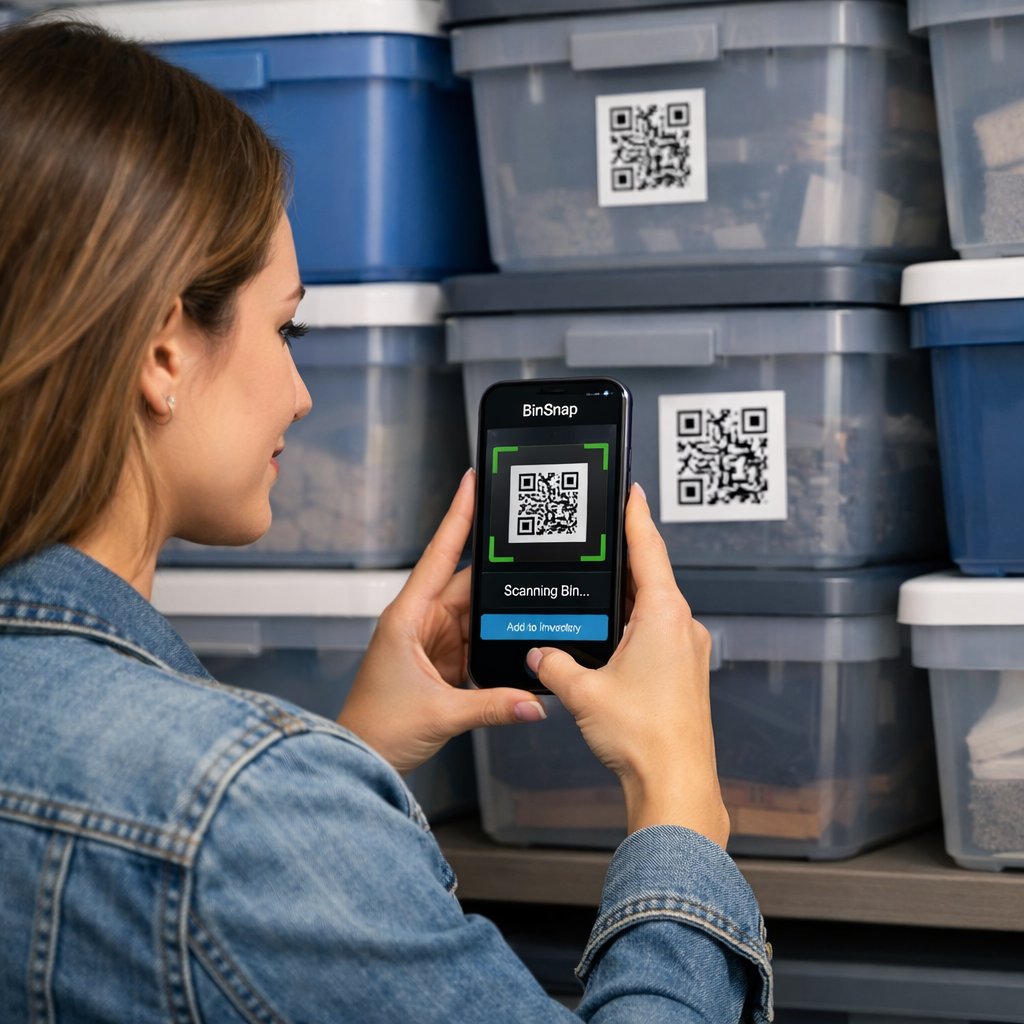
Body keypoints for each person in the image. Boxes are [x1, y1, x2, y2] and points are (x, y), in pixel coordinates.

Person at [0, 17, 772, 1022]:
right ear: (162, 353)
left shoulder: (229, 807)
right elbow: (210, 852)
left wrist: (344, 757)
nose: (301, 394)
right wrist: (677, 800)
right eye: (287, 328)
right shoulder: (235, 814)